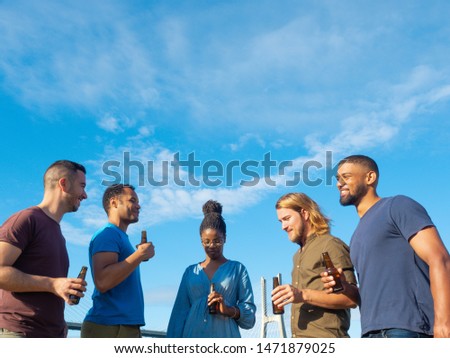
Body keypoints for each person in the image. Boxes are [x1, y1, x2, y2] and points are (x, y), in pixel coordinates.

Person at [330, 154, 450, 338]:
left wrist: (444, 322)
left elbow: (440, 259)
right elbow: (374, 291)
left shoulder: (397, 206)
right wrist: (346, 288)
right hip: (371, 332)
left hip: (408, 328)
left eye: (346, 176)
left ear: (370, 178)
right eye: (338, 179)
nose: (339, 183)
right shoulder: (355, 236)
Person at [0, 160, 88, 338]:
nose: (85, 195)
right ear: (63, 184)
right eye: (82, 186)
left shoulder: (58, 233)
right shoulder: (26, 219)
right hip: (19, 333)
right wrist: (53, 284)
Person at [271, 192, 359, 338]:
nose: (283, 227)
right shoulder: (297, 256)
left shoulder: (330, 244)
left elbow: (351, 299)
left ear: (304, 213)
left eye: (287, 219)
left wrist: (303, 294)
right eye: (280, 221)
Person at [167, 200, 256, 338]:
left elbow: (249, 317)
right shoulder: (190, 272)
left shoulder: (238, 270)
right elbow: (179, 315)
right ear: (200, 240)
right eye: (206, 241)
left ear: (225, 238)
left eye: (217, 240)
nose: (211, 246)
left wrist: (228, 310)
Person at [81, 184, 155, 338]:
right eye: (132, 200)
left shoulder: (119, 236)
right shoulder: (108, 234)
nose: (138, 205)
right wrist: (139, 255)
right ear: (114, 202)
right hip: (109, 327)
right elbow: (103, 281)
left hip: (122, 326)